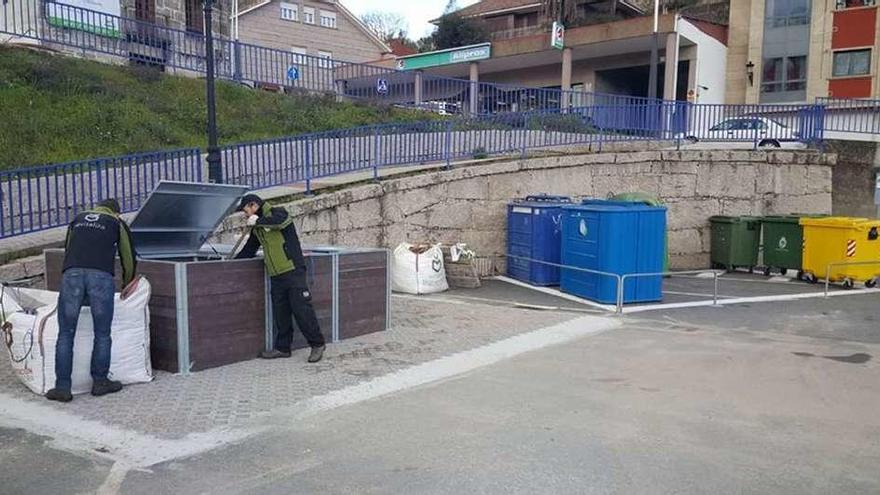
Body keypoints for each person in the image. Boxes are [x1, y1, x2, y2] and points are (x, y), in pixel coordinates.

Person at [46, 199, 137, 403]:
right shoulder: (116, 223)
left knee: (65, 333)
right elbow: (128, 256)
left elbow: (68, 248)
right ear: (117, 212)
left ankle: (62, 388)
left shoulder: (77, 219)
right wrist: (127, 283)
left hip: (72, 276)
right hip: (101, 278)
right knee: (102, 334)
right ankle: (100, 382)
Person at [235, 194, 326, 363]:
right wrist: (230, 264)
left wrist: (258, 221)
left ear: (253, 205)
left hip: (293, 270)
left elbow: (279, 222)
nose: (245, 214)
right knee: (280, 312)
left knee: (301, 309)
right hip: (276, 274)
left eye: (245, 210)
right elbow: (249, 249)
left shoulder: (278, 212)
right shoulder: (258, 228)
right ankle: (283, 348)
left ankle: (317, 344)